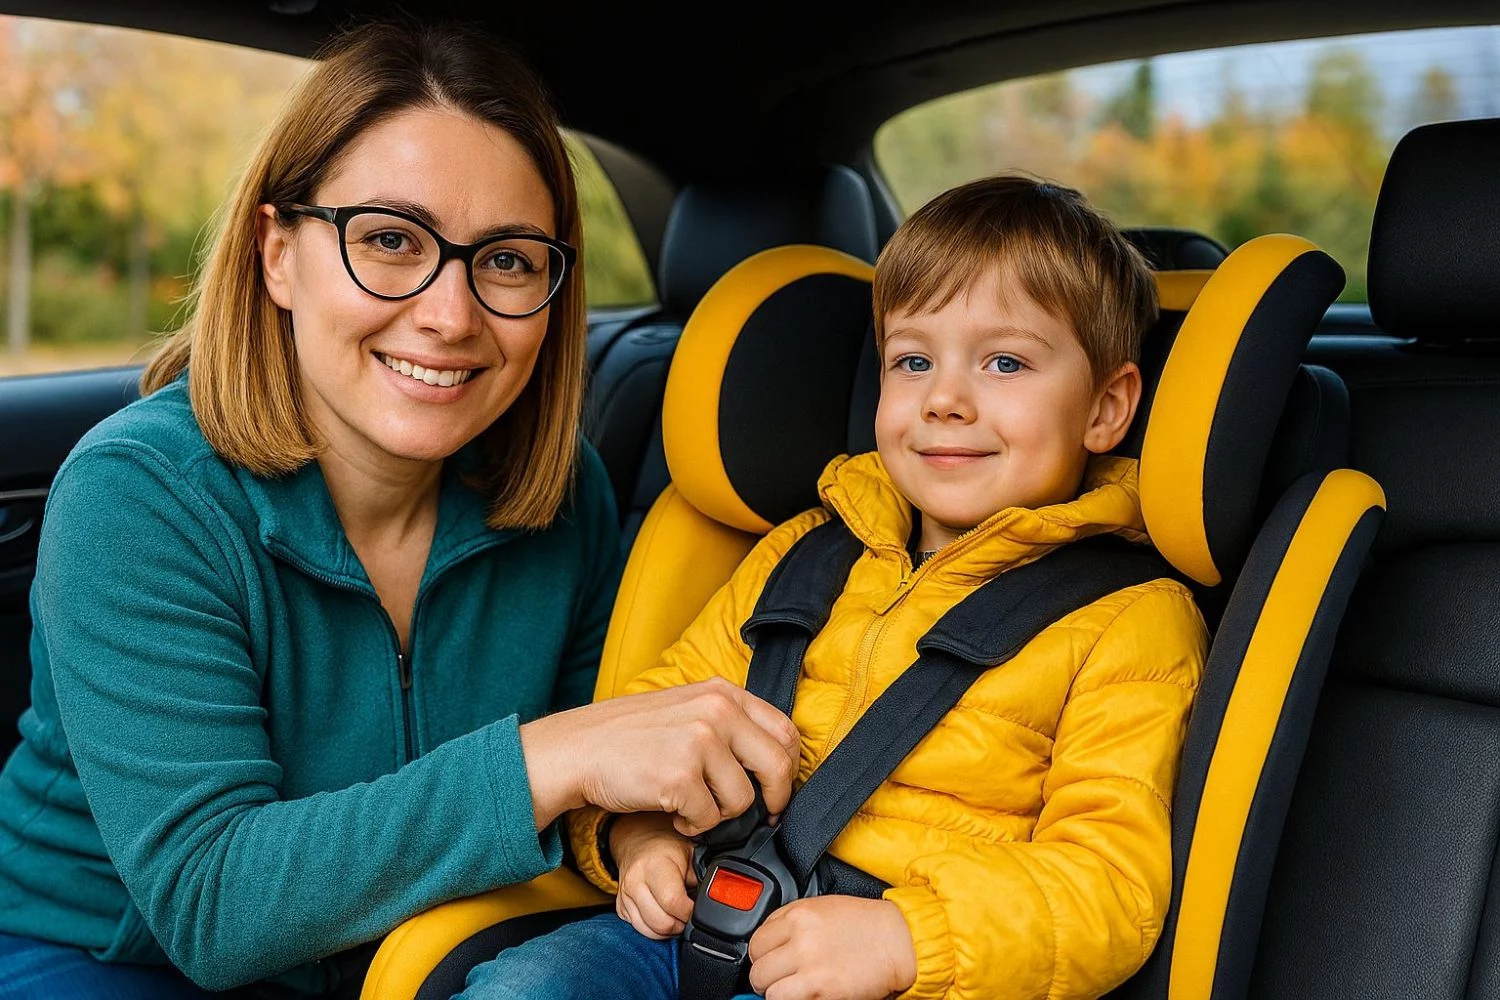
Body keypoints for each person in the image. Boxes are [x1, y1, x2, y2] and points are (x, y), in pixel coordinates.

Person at [0, 21, 801, 1000]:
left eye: (505, 260)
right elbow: (212, 904)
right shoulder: (140, 495)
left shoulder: (565, 496)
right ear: (278, 254)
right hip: (106, 962)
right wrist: (553, 757)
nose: (450, 314)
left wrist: (637, 834)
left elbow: (604, 797)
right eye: (389, 240)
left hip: (416, 950)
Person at [456, 175, 1211, 1000]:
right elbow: (655, 719)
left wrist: (909, 941)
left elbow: (1109, 886)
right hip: (694, 922)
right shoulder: (803, 553)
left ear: (1106, 408)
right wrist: (638, 839)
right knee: (527, 985)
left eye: (1005, 362)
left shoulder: (1131, 619)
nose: (945, 401)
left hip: (899, 973)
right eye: (913, 360)